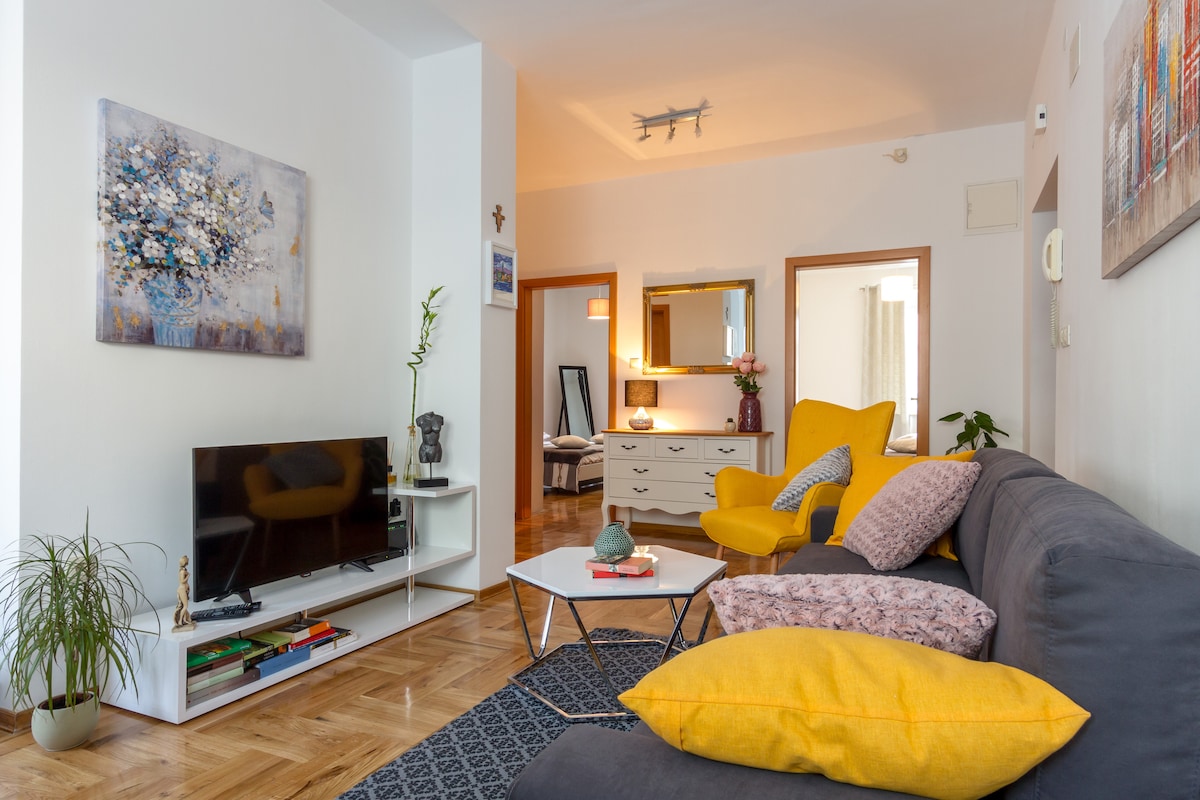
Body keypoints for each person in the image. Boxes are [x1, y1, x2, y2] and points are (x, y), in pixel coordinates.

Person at [173, 555, 194, 629]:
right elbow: (182, 581)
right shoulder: (182, 572)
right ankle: (180, 621)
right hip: (182, 590)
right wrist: (188, 576)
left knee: (184, 606)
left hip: (184, 589)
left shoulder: (183, 570)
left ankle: (184, 619)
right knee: (185, 606)